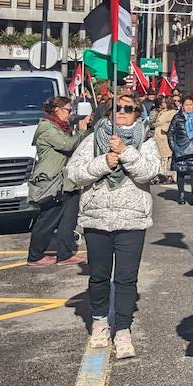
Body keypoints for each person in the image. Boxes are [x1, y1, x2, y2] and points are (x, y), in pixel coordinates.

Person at [65, 90, 161, 360]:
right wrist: (102, 163)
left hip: (131, 219)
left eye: (128, 108)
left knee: (126, 279)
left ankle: (122, 329)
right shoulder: (93, 139)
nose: (122, 112)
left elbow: (149, 172)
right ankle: (99, 322)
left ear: (137, 113)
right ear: (109, 112)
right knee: (98, 276)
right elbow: (74, 173)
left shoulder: (146, 140)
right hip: (97, 217)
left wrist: (125, 152)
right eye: (117, 107)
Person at [27, 97, 91, 266]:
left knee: (68, 219)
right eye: (69, 110)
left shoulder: (62, 127)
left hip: (67, 180)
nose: (71, 114)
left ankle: (64, 254)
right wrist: (81, 131)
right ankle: (35, 255)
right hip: (52, 181)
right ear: (57, 110)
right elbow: (68, 145)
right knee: (48, 219)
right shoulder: (47, 128)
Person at [152, 95, 178, 174]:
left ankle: (168, 174)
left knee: (166, 156)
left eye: (163, 102)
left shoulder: (172, 112)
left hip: (165, 137)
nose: (162, 104)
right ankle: (161, 173)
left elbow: (173, 123)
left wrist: (164, 128)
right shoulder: (162, 111)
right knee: (160, 156)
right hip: (158, 136)